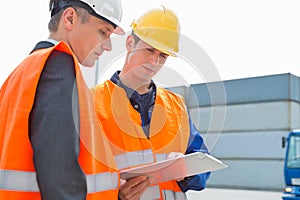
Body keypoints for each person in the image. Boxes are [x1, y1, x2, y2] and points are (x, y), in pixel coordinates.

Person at [0, 0, 124, 199]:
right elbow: (60, 172)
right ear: (70, 18)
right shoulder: (58, 65)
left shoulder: (22, 73)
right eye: (103, 32)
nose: (108, 46)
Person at [91, 6, 211, 200]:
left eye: (163, 55)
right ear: (130, 43)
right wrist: (116, 194)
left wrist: (187, 171)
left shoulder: (176, 106)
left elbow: (201, 160)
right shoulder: (92, 102)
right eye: (150, 50)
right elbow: (78, 174)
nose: (155, 61)